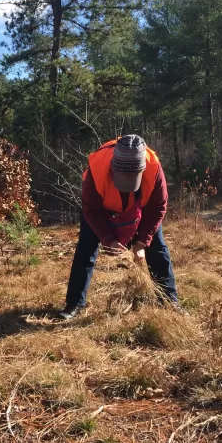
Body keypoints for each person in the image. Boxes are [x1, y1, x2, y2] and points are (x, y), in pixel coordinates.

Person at [58, 134, 182, 320]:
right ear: (113, 168)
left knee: (158, 248)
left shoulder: (154, 168)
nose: (126, 184)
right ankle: (74, 303)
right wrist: (108, 240)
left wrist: (142, 242)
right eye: (122, 178)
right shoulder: (97, 169)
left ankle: (169, 302)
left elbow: (158, 207)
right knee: (86, 248)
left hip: (142, 209)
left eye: (132, 178)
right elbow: (91, 210)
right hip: (101, 209)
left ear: (142, 170)